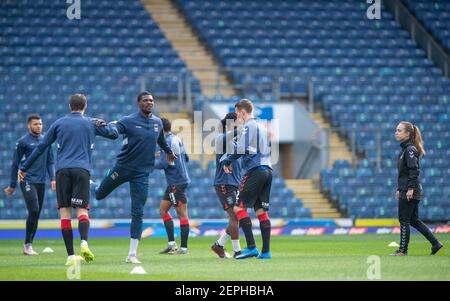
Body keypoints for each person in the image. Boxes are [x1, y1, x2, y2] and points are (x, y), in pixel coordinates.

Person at [18, 94, 119, 266]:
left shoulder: (59, 123)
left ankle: (71, 256)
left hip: (62, 171)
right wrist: (106, 123)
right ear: (84, 106)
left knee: (65, 214)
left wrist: (24, 167)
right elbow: (114, 134)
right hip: (82, 170)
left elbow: (42, 147)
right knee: (82, 211)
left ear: (69, 106)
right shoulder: (91, 122)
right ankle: (84, 242)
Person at [95, 92, 176, 264]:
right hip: (123, 168)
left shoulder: (157, 122)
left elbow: (161, 141)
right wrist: (105, 126)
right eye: (146, 100)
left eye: (152, 100)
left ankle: (132, 254)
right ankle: (91, 183)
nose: (149, 103)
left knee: (138, 213)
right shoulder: (128, 120)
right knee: (99, 194)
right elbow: (114, 130)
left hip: (142, 173)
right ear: (138, 103)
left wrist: (169, 152)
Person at [222, 99, 273, 259]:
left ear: (242, 111)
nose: (237, 116)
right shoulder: (262, 126)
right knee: (261, 211)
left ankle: (251, 247)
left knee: (239, 208)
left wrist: (227, 160)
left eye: (237, 113)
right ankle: (266, 252)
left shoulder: (248, 126)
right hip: (268, 170)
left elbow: (242, 148)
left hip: (255, 170)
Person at [4, 114, 56, 256]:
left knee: (36, 213)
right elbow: (15, 163)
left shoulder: (46, 141)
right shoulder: (23, 142)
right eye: (35, 124)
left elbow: (50, 161)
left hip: (41, 182)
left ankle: (29, 245)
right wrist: (12, 185)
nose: (38, 126)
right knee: (34, 210)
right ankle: (27, 245)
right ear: (29, 126)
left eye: (40, 124)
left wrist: (52, 179)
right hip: (27, 180)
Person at [392, 121, 443, 256]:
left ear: (407, 134)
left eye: (399, 130)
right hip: (406, 189)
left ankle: (403, 250)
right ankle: (435, 243)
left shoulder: (409, 150)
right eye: (396, 130)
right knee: (413, 220)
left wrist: (410, 188)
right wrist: (399, 188)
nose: (396, 132)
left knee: (404, 220)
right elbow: (404, 173)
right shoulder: (405, 149)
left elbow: (414, 170)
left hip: (410, 191)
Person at [156, 118, 191, 255]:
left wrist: (147, 162)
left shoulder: (167, 142)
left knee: (182, 215)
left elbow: (163, 164)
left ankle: (184, 248)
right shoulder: (176, 139)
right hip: (175, 182)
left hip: (177, 182)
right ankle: (171, 244)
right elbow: (186, 158)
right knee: (163, 210)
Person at [211, 112, 242, 258]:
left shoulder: (236, 143)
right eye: (239, 121)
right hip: (224, 183)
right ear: (232, 123)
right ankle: (237, 251)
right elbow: (231, 134)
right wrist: (243, 128)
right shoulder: (220, 139)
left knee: (237, 217)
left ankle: (219, 245)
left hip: (235, 184)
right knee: (235, 216)